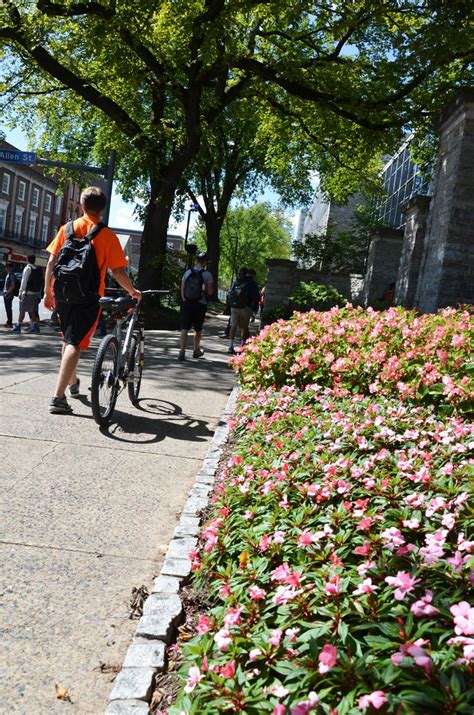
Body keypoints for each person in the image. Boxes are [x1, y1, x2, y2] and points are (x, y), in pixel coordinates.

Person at [44, 186, 141, 414]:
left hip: (62, 293)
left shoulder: (67, 229)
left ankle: (73, 383)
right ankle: (58, 398)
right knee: (74, 344)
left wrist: (48, 292)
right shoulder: (107, 235)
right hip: (88, 296)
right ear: (103, 209)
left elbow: (51, 262)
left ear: (82, 205)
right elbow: (117, 272)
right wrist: (132, 291)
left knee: (69, 340)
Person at [178, 252, 213, 361]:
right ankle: (196, 350)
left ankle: (182, 352)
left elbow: (182, 288)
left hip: (187, 303)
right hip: (200, 304)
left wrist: (184, 300)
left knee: (185, 328)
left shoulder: (188, 272)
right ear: (205, 262)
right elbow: (210, 292)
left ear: (197, 260)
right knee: (198, 329)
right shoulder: (207, 275)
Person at [227, 267, 260, 355]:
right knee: (244, 327)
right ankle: (242, 346)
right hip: (246, 307)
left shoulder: (237, 281)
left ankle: (230, 346)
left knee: (233, 326)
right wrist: (254, 310)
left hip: (234, 306)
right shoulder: (253, 283)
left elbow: (230, 293)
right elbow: (256, 298)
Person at [11, 255, 43, 334]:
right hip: (35, 293)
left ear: (27, 259)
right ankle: (35, 326)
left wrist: (20, 292)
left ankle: (18, 326)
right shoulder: (37, 269)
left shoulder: (28, 268)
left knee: (22, 309)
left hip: (27, 292)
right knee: (32, 310)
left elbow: (24, 281)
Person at [3, 262, 18, 328]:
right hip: (7, 293)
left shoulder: (11, 275)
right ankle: (9, 322)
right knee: (7, 309)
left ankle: (10, 323)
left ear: (10, 268)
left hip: (8, 294)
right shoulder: (8, 274)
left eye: (8, 267)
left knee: (8, 309)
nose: (6, 268)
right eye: (6, 267)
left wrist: (7, 293)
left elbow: (13, 285)